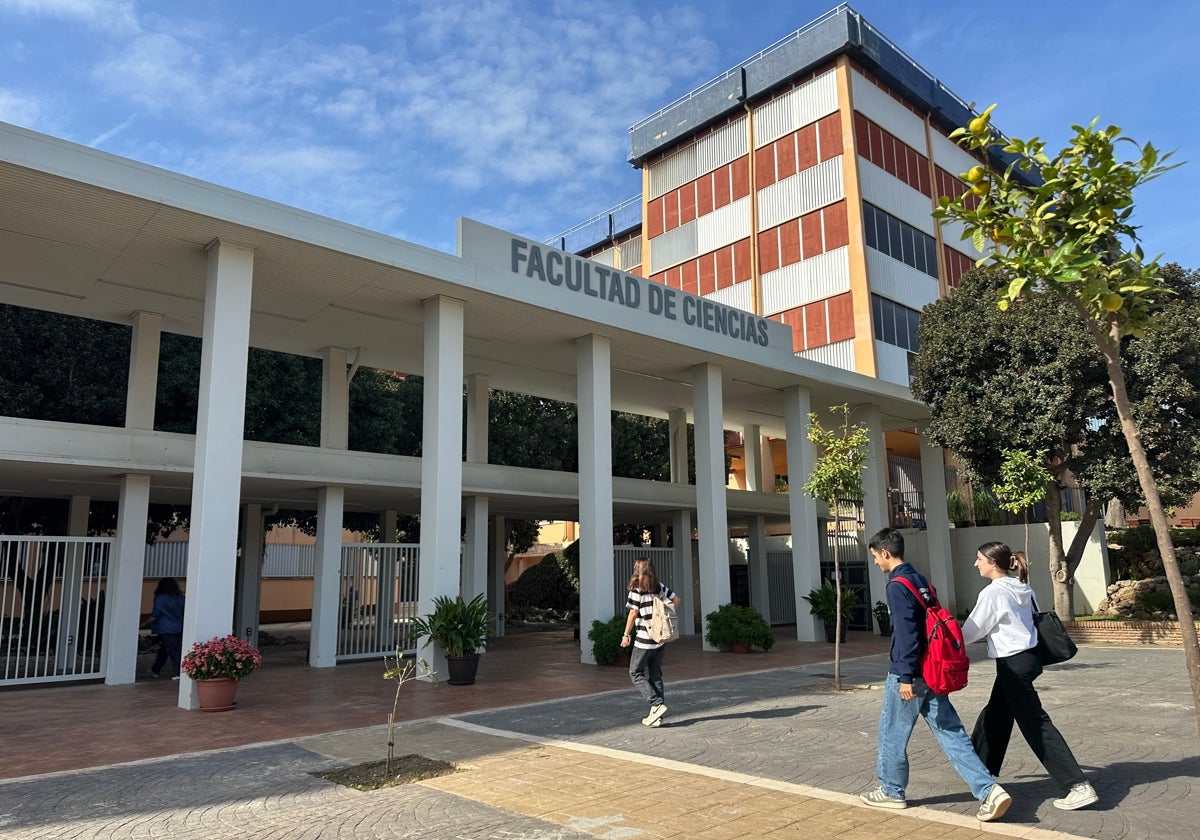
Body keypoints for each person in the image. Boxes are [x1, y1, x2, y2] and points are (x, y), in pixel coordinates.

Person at [860, 528, 1013, 822]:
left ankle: (892, 791)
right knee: (951, 733)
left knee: (892, 733)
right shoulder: (919, 579)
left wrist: (905, 676)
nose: (876, 563)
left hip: (912, 674)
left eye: (876, 557)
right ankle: (989, 791)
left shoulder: (896, 585)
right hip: (933, 670)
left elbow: (907, 635)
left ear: (886, 553)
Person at [962, 541, 1099, 811]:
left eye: (979, 559)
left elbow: (971, 632)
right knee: (996, 714)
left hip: (1013, 664)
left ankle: (1078, 785)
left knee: (1036, 723)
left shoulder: (994, 593)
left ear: (993, 563)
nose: (976, 564)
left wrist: (941, 640)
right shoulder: (1022, 587)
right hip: (1027, 660)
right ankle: (979, 772)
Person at [619, 558, 681, 727]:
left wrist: (626, 635)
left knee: (635, 672)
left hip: (645, 638)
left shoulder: (636, 589)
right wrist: (662, 616)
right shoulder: (659, 586)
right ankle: (657, 716)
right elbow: (676, 600)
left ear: (638, 571)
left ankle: (656, 704)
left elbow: (633, 614)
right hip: (660, 639)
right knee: (656, 675)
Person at [141, 577, 185, 679]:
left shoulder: (160, 598)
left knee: (172, 650)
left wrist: (143, 624)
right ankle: (155, 670)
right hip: (178, 627)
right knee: (165, 649)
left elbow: (156, 614)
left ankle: (178, 673)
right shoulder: (179, 597)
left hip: (165, 628)